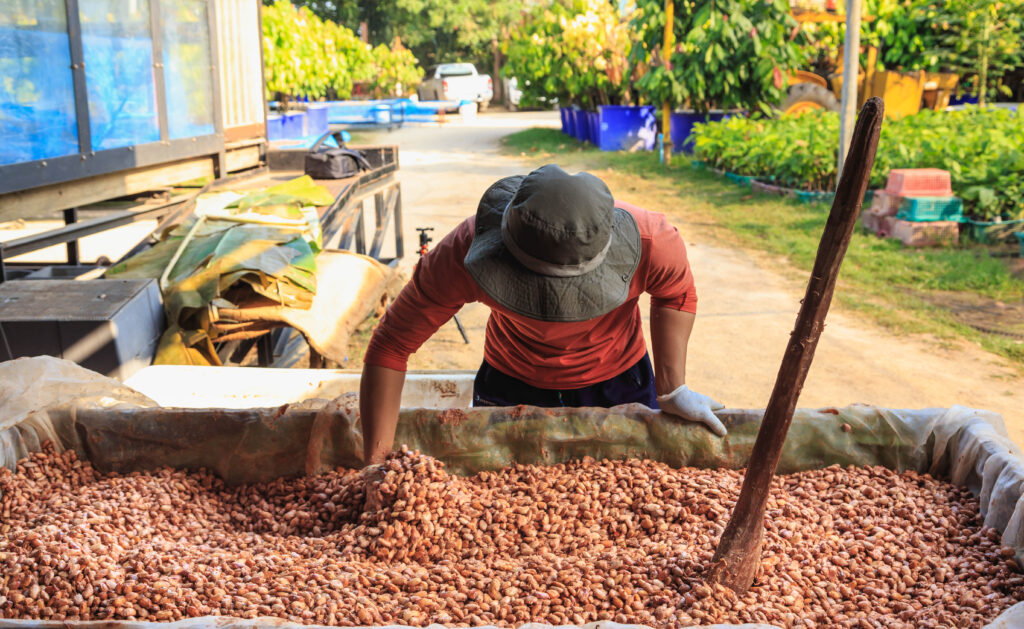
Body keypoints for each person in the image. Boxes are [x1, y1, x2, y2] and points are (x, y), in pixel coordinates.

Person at [359, 164, 724, 464]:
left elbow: (676, 294)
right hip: (511, 381)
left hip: (617, 380)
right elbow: (391, 345)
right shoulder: (464, 252)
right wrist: (375, 464)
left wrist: (673, 387)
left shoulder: (653, 241)